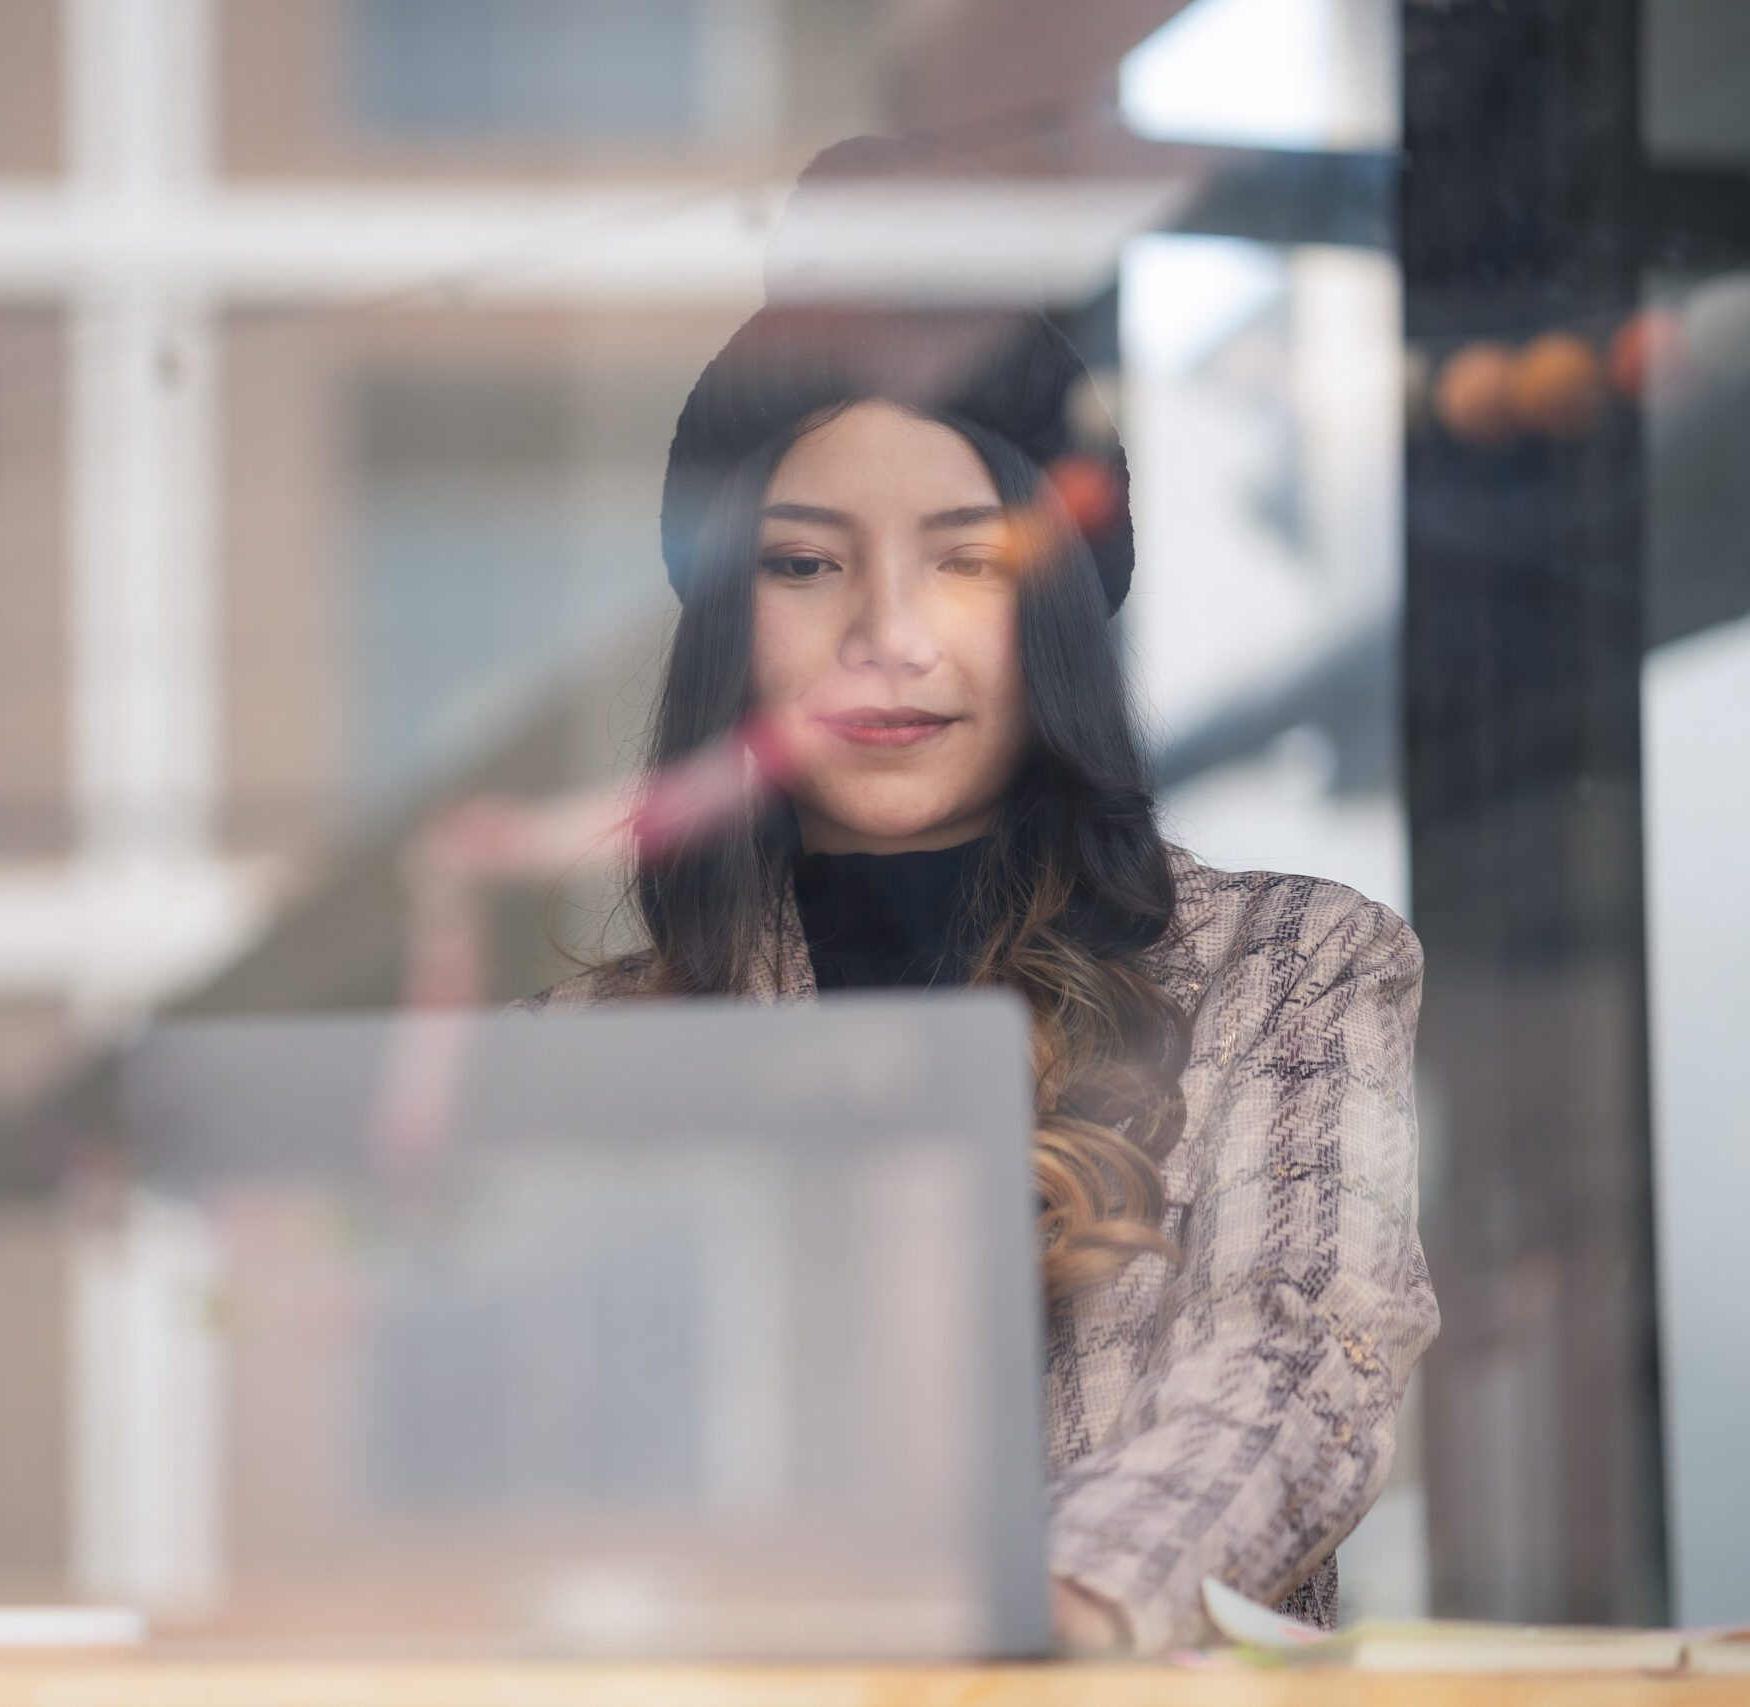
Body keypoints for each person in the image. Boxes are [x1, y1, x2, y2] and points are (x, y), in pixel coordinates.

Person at [518, 144, 1439, 1655]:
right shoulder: (578, 1056)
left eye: (968, 564)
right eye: (805, 565)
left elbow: (1301, 1360)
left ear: (1057, 613)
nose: (888, 635)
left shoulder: (1291, 966)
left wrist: (1042, 1618)